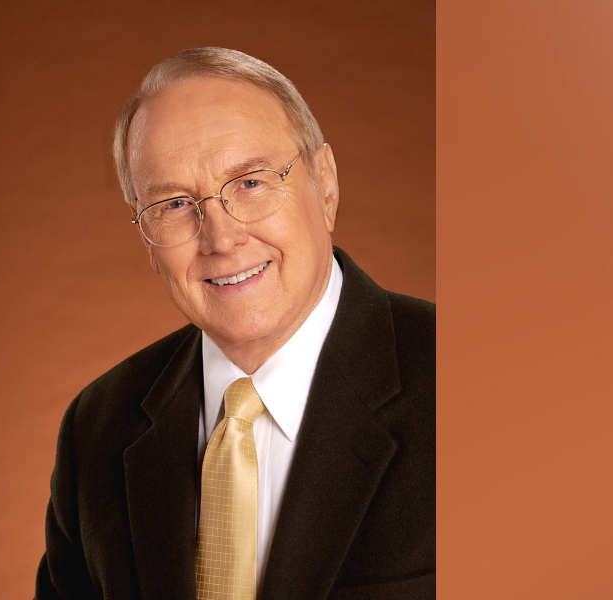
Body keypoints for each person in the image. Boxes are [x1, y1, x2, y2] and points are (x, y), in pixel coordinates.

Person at [35, 47, 435, 600]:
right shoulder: (97, 429)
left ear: (325, 184)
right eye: (174, 203)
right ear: (146, 240)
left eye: (250, 182)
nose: (221, 238)